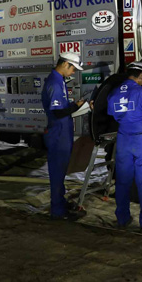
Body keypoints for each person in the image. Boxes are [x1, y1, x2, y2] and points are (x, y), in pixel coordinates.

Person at [107, 61, 142, 233]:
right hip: (141, 141)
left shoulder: (113, 93)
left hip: (123, 140)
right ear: (140, 76)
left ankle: (122, 219)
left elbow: (113, 116)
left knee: (122, 182)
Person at [42, 52, 87, 220]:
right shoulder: (54, 82)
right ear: (66, 64)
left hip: (61, 131)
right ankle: (58, 210)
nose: (73, 72)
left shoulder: (58, 80)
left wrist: (76, 106)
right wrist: (75, 107)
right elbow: (58, 112)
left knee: (60, 172)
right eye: (73, 69)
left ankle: (59, 203)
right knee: (57, 173)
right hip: (58, 133)